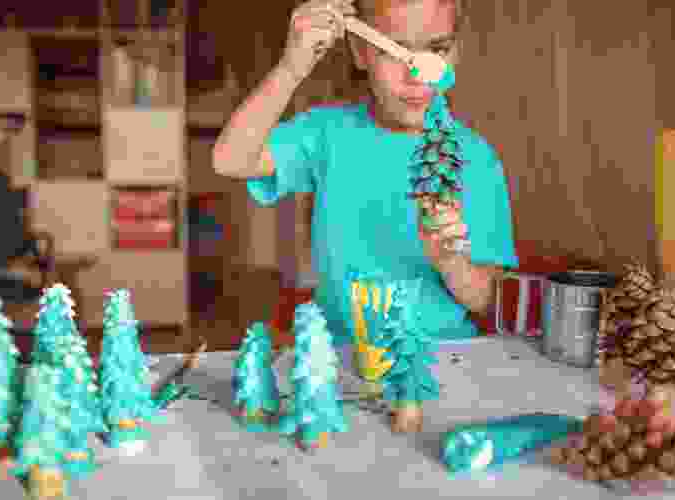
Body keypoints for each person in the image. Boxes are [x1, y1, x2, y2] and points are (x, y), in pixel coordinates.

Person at [213, 0, 518, 346]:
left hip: (444, 357)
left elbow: (487, 300)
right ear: (360, 52)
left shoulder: (477, 159)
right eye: (394, 51)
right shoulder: (327, 133)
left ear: (455, 53)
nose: (415, 77)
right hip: (340, 358)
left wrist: (451, 262)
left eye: (437, 49)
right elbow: (230, 160)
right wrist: (291, 68)